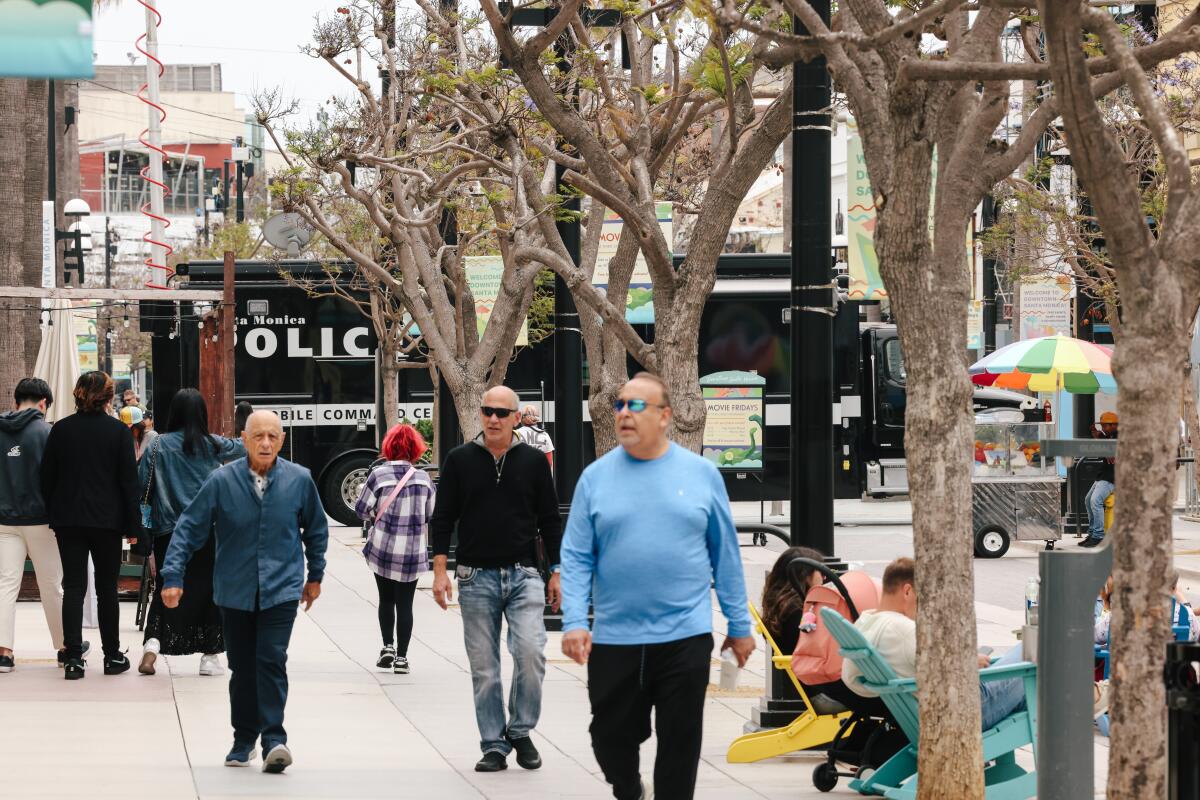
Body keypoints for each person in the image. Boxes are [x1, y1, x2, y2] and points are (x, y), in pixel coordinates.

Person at [560, 372, 755, 800]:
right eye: (620, 406)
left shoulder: (702, 475)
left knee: (680, 743)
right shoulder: (595, 478)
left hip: (684, 635)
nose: (624, 414)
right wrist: (574, 620)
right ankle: (628, 787)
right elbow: (575, 556)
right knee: (609, 737)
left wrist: (740, 626)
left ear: (665, 416)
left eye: (636, 406)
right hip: (616, 637)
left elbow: (725, 557)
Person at [161, 410, 327, 773]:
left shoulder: (300, 481)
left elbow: (316, 530)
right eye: (258, 436)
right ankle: (243, 738)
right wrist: (173, 575)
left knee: (270, 659)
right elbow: (188, 528)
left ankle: (274, 739)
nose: (266, 443)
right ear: (243, 439)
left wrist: (316, 575)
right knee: (242, 667)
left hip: (281, 589)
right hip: (234, 591)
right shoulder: (221, 481)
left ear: (281, 440)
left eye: (272, 436)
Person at [430, 386, 562, 774]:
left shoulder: (534, 462)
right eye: (487, 411)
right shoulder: (460, 460)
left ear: (516, 418)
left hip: (524, 574)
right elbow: (443, 519)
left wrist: (557, 571)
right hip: (475, 577)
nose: (492, 418)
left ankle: (519, 729)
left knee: (530, 653)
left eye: (501, 413)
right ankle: (493, 744)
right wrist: (440, 570)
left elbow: (550, 520)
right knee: (484, 668)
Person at [842, 558, 1028, 731]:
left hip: (926, 712)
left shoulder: (866, 624)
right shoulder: (901, 629)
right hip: (969, 709)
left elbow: (850, 679)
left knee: (1032, 692)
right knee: (1035, 648)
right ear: (907, 591)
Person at [40, 371, 141, 679]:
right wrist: (133, 525)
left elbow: (46, 478)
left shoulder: (61, 430)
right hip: (107, 520)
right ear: (110, 398)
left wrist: (56, 508)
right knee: (106, 588)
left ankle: (73, 657)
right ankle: (112, 655)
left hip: (68, 519)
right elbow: (128, 483)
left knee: (73, 586)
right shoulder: (119, 433)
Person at [138, 388, 245, 677]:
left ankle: (152, 645)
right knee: (210, 589)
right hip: (207, 532)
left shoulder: (156, 446)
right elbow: (243, 448)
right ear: (201, 414)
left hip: (167, 532)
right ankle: (210, 657)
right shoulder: (212, 444)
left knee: (166, 587)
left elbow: (141, 489)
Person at [355, 423, 435, 675]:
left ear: (389, 446)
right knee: (406, 604)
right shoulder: (423, 478)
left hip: (384, 548)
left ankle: (387, 646)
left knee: (386, 599)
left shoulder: (378, 475)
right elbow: (431, 513)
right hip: (411, 550)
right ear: (415, 449)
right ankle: (402, 658)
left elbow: (361, 509)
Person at [0, 379, 67, 673]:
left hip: (4, 521)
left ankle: (4, 651)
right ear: (43, 403)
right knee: (52, 585)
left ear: (17, 401)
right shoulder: (48, 433)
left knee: (5, 586)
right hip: (42, 520)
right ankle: (65, 646)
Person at [761, 546, 825, 657]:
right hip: (805, 666)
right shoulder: (795, 611)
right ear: (805, 575)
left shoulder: (781, 602)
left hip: (793, 663)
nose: (824, 577)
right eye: (820, 571)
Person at [1081, 412, 1118, 548]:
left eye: (1105, 426)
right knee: (1087, 500)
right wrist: (1095, 433)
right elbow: (1102, 439)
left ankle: (1098, 536)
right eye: (1101, 425)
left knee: (1095, 501)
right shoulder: (1108, 435)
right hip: (1103, 475)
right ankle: (1092, 533)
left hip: (1112, 477)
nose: (1103, 428)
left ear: (1113, 425)